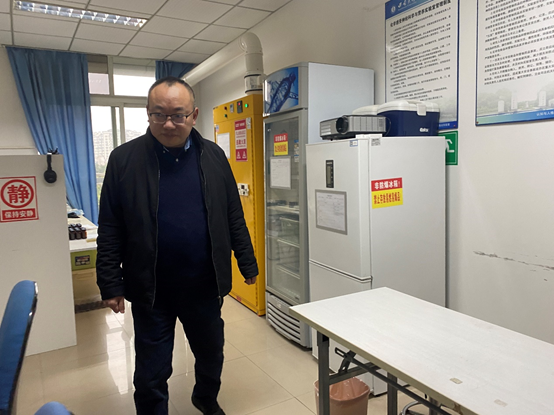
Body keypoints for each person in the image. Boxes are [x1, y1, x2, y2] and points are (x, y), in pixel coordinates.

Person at [96, 76, 258, 415]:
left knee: (211, 354)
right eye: (159, 114)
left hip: (203, 285)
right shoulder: (123, 160)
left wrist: (247, 261)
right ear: (147, 113)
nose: (168, 123)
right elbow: (110, 227)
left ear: (194, 115)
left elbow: (232, 213)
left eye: (178, 115)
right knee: (151, 371)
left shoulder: (214, 156)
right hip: (151, 289)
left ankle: (205, 398)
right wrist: (110, 282)